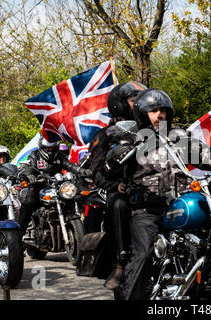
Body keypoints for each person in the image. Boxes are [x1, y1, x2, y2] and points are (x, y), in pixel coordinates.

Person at [119, 88, 211, 300]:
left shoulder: (177, 136)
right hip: (148, 207)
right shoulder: (132, 140)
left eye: (163, 110)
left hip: (181, 201)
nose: (160, 114)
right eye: (153, 111)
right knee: (143, 255)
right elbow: (114, 169)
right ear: (142, 113)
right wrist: (114, 160)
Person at [87, 81, 147, 293]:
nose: (139, 104)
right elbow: (97, 173)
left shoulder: (153, 130)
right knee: (118, 203)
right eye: (134, 101)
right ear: (120, 105)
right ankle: (119, 264)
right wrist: (117, 183)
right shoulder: (104, 135)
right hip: (123, 191)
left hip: (153, 188)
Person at [17, 137, 92, 233]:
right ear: (42, 147)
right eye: (47, 149)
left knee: (75, 197)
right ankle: (20, 233)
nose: (50, 151)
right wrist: (29, 175)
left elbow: (70, 165)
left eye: (53, 148)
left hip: (57, 185)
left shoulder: (59, 156)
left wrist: (81, 170)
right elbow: (27, 167)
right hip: (38, 185)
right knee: (29, 202)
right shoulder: (35, 155)